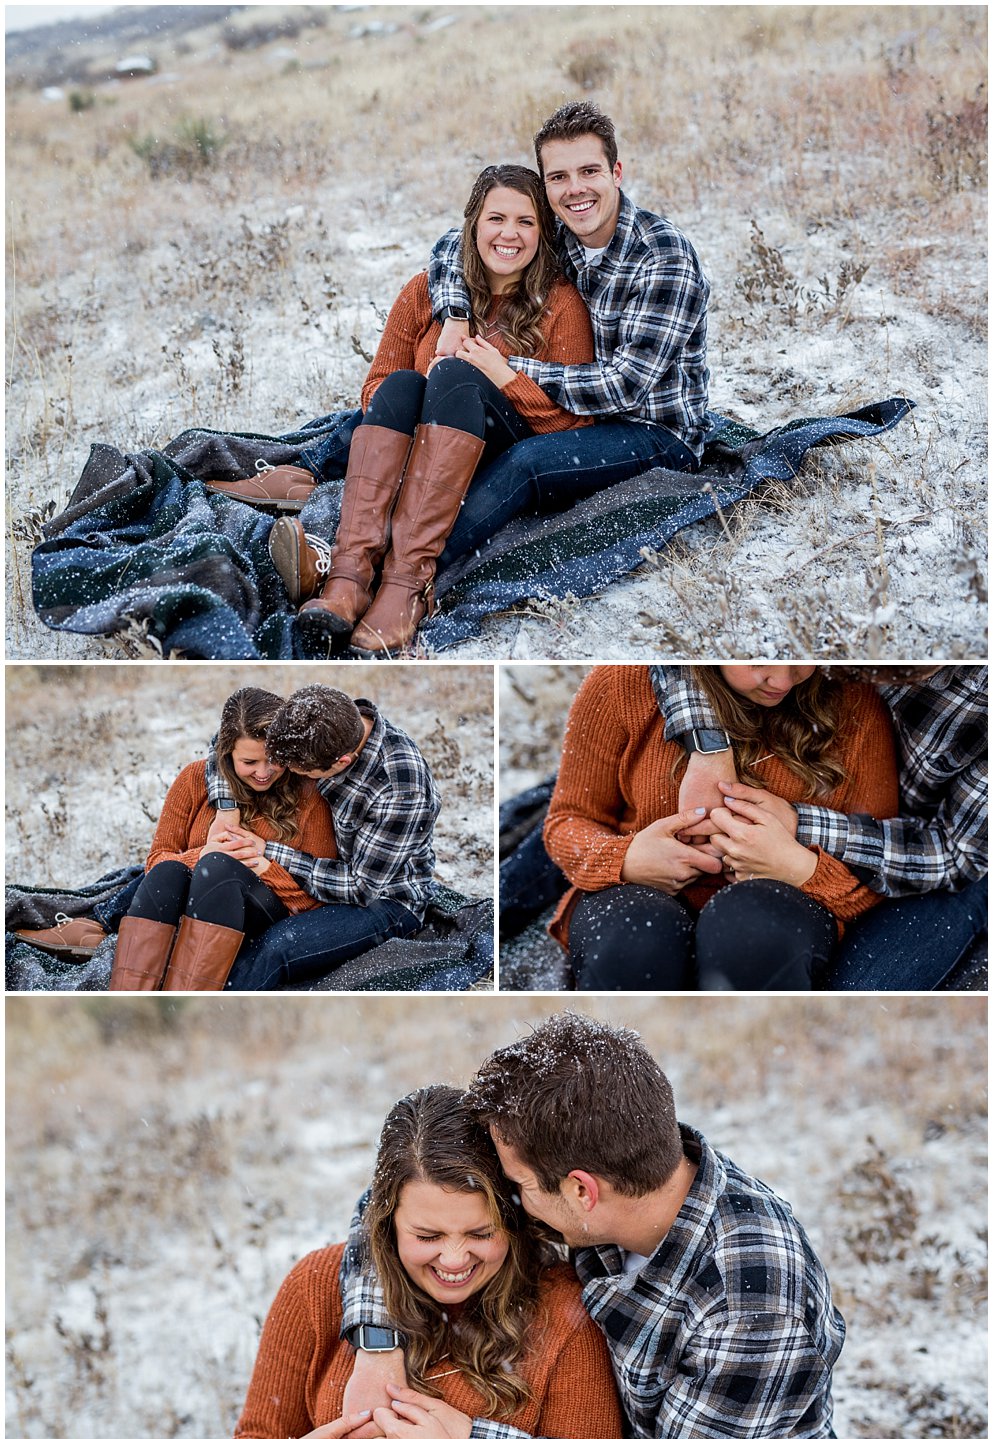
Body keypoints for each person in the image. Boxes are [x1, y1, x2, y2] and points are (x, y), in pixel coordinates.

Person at [338, 1013, 844, 1439]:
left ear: (581, 1192)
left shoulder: (753, 1306)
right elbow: (388, 1203)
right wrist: (379, 1343)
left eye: (518, 1188)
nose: (513, 1203)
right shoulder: (622, 1178)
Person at [121, 1085, 622, 1439]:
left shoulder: (564, 1312)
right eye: (427, 1236)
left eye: (481, 1234)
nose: (454, 1260)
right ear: (386, 1220)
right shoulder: (319, 1284)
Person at [258, 162, 595, 657]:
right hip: (424, 449)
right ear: (473, 224)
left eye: (526, 222)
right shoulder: (427, 291)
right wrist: (425, 404)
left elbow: (573, 422)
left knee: (455, 375)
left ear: (543, 233)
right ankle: (348, 580)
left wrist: (501, 376)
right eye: (495, 218)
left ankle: (405, 588)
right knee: (401, 383)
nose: (509, 234)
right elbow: (375, 389)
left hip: (500, 447)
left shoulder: (561, 304)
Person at [419, 99, 710, 579]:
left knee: (527, 463)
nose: (575, 190)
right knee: (439, 405)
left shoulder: (664, 256)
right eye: (558, 177)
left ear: (617, 172)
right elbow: (459, 240)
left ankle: (415, 568)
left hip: (655, 432)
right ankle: (357, 534)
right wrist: (455, 312)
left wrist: (514, 371)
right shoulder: (563, 229)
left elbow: (625, 386)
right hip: (574, 417)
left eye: (589, 171)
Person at [541, 664, 898, 989]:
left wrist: (802, 870)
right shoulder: (621, 684)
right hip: (632, 897)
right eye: (759, 661)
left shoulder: (855, 706)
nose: (782, 680)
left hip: (785, 911)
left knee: (753, 937)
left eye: (800, 659)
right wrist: (625, 858)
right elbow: (567, 820)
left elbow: (881, 872)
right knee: (632, 944)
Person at [656, 664, 988, 989]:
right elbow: (675, 654)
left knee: (862, 990)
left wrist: (798, 832)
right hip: (861, 831)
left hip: (952, 856)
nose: (783, 678)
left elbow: (958, 855)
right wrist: (708, 746)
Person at [13, 687, 338, 993]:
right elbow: (156, 861)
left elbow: (318, 902)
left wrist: (264, 867)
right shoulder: (195, 778)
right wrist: (202, 853)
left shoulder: (309, 794)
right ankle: (129, 995)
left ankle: (187, 997)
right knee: (171, 871)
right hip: (193, 909)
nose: (264, 772)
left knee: (218, 868)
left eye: (273, 760)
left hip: (261, 914)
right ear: (227, 754)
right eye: (250, 762)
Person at [199, 684, 440, 990]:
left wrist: (270, 851)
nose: (280, 772)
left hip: (383, 900)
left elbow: (360, 888)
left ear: (342, 762)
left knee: (275, 948)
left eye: (302, 772)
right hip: (317, 870)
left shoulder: (401, 791)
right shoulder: (313, 721)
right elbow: (226, 740)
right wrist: (227, 805)